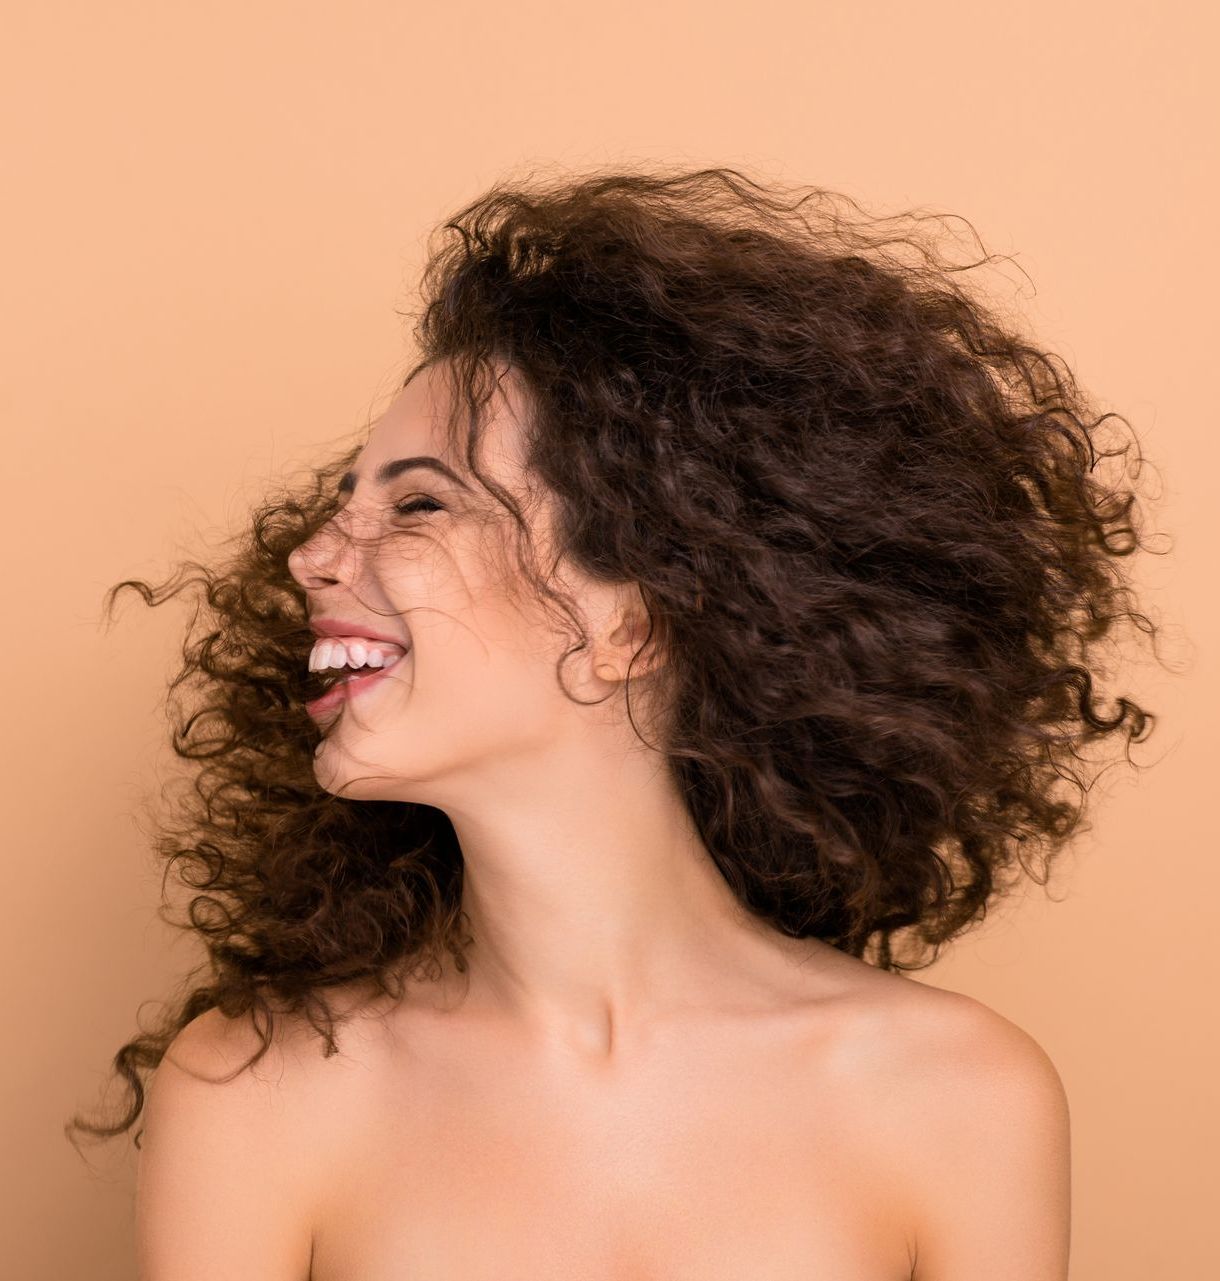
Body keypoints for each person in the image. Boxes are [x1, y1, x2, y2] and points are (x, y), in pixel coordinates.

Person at [69, 166, 1163, 1279]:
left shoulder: (959, 1096)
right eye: (341, 507)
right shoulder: (253, 1092)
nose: (311, 559)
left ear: (634, 623)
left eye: (416, 503)